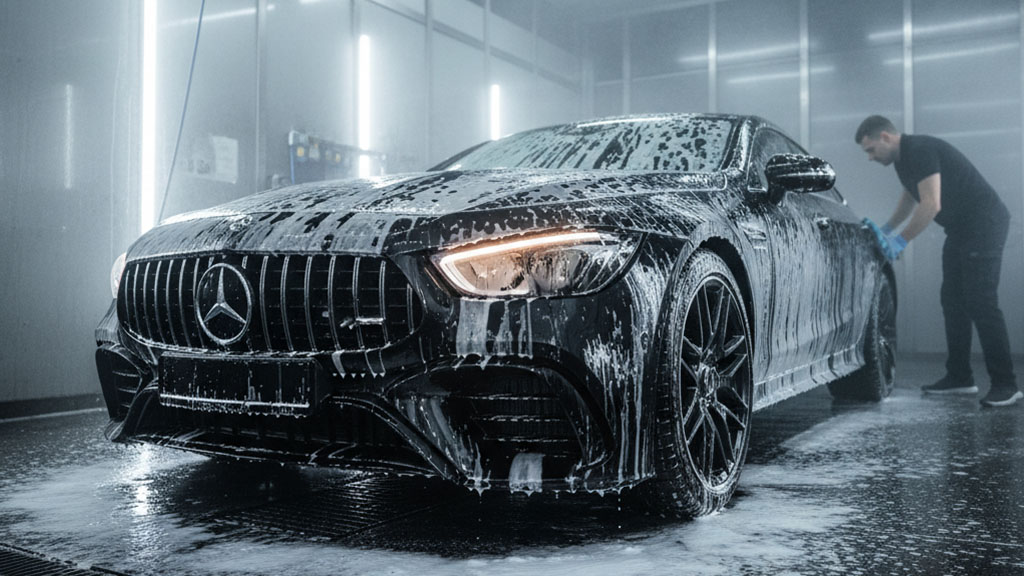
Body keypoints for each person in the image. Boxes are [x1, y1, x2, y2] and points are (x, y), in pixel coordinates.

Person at [855, 115, 1021, 407]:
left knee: (981, 301)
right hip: (961, 229)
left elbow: (931, 204)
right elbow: (911, 197)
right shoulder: (903, 160)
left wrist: (901, 240)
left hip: (984, 223)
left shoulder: (919, 149)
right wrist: (886, 230)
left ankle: (1006, 385)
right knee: (953, 300)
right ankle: (960, 377)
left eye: (870, 150)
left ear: (885, 137)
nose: (869, 158)